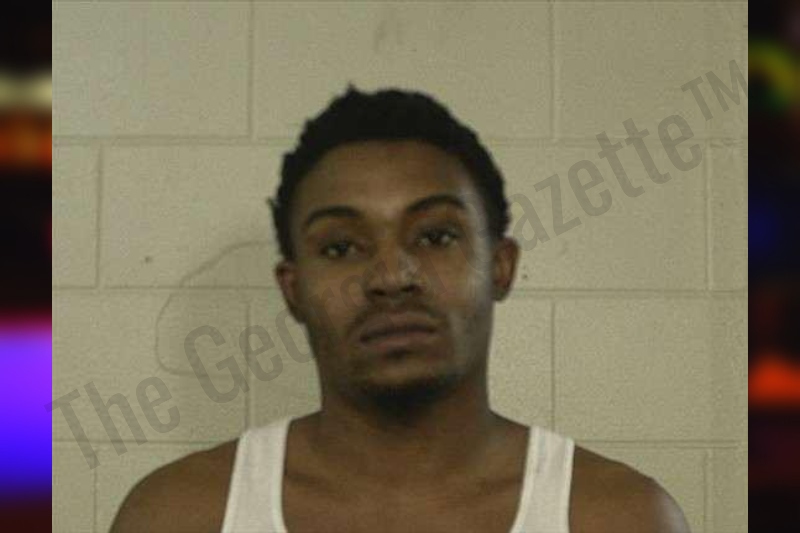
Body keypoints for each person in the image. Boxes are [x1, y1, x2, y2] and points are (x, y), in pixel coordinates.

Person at [110, 86, 691, 533]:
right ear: (293, 289)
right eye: (341, 248)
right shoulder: (180, 514)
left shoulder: (615, 516)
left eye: (436, 237)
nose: (391, 278)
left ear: (500, 265)